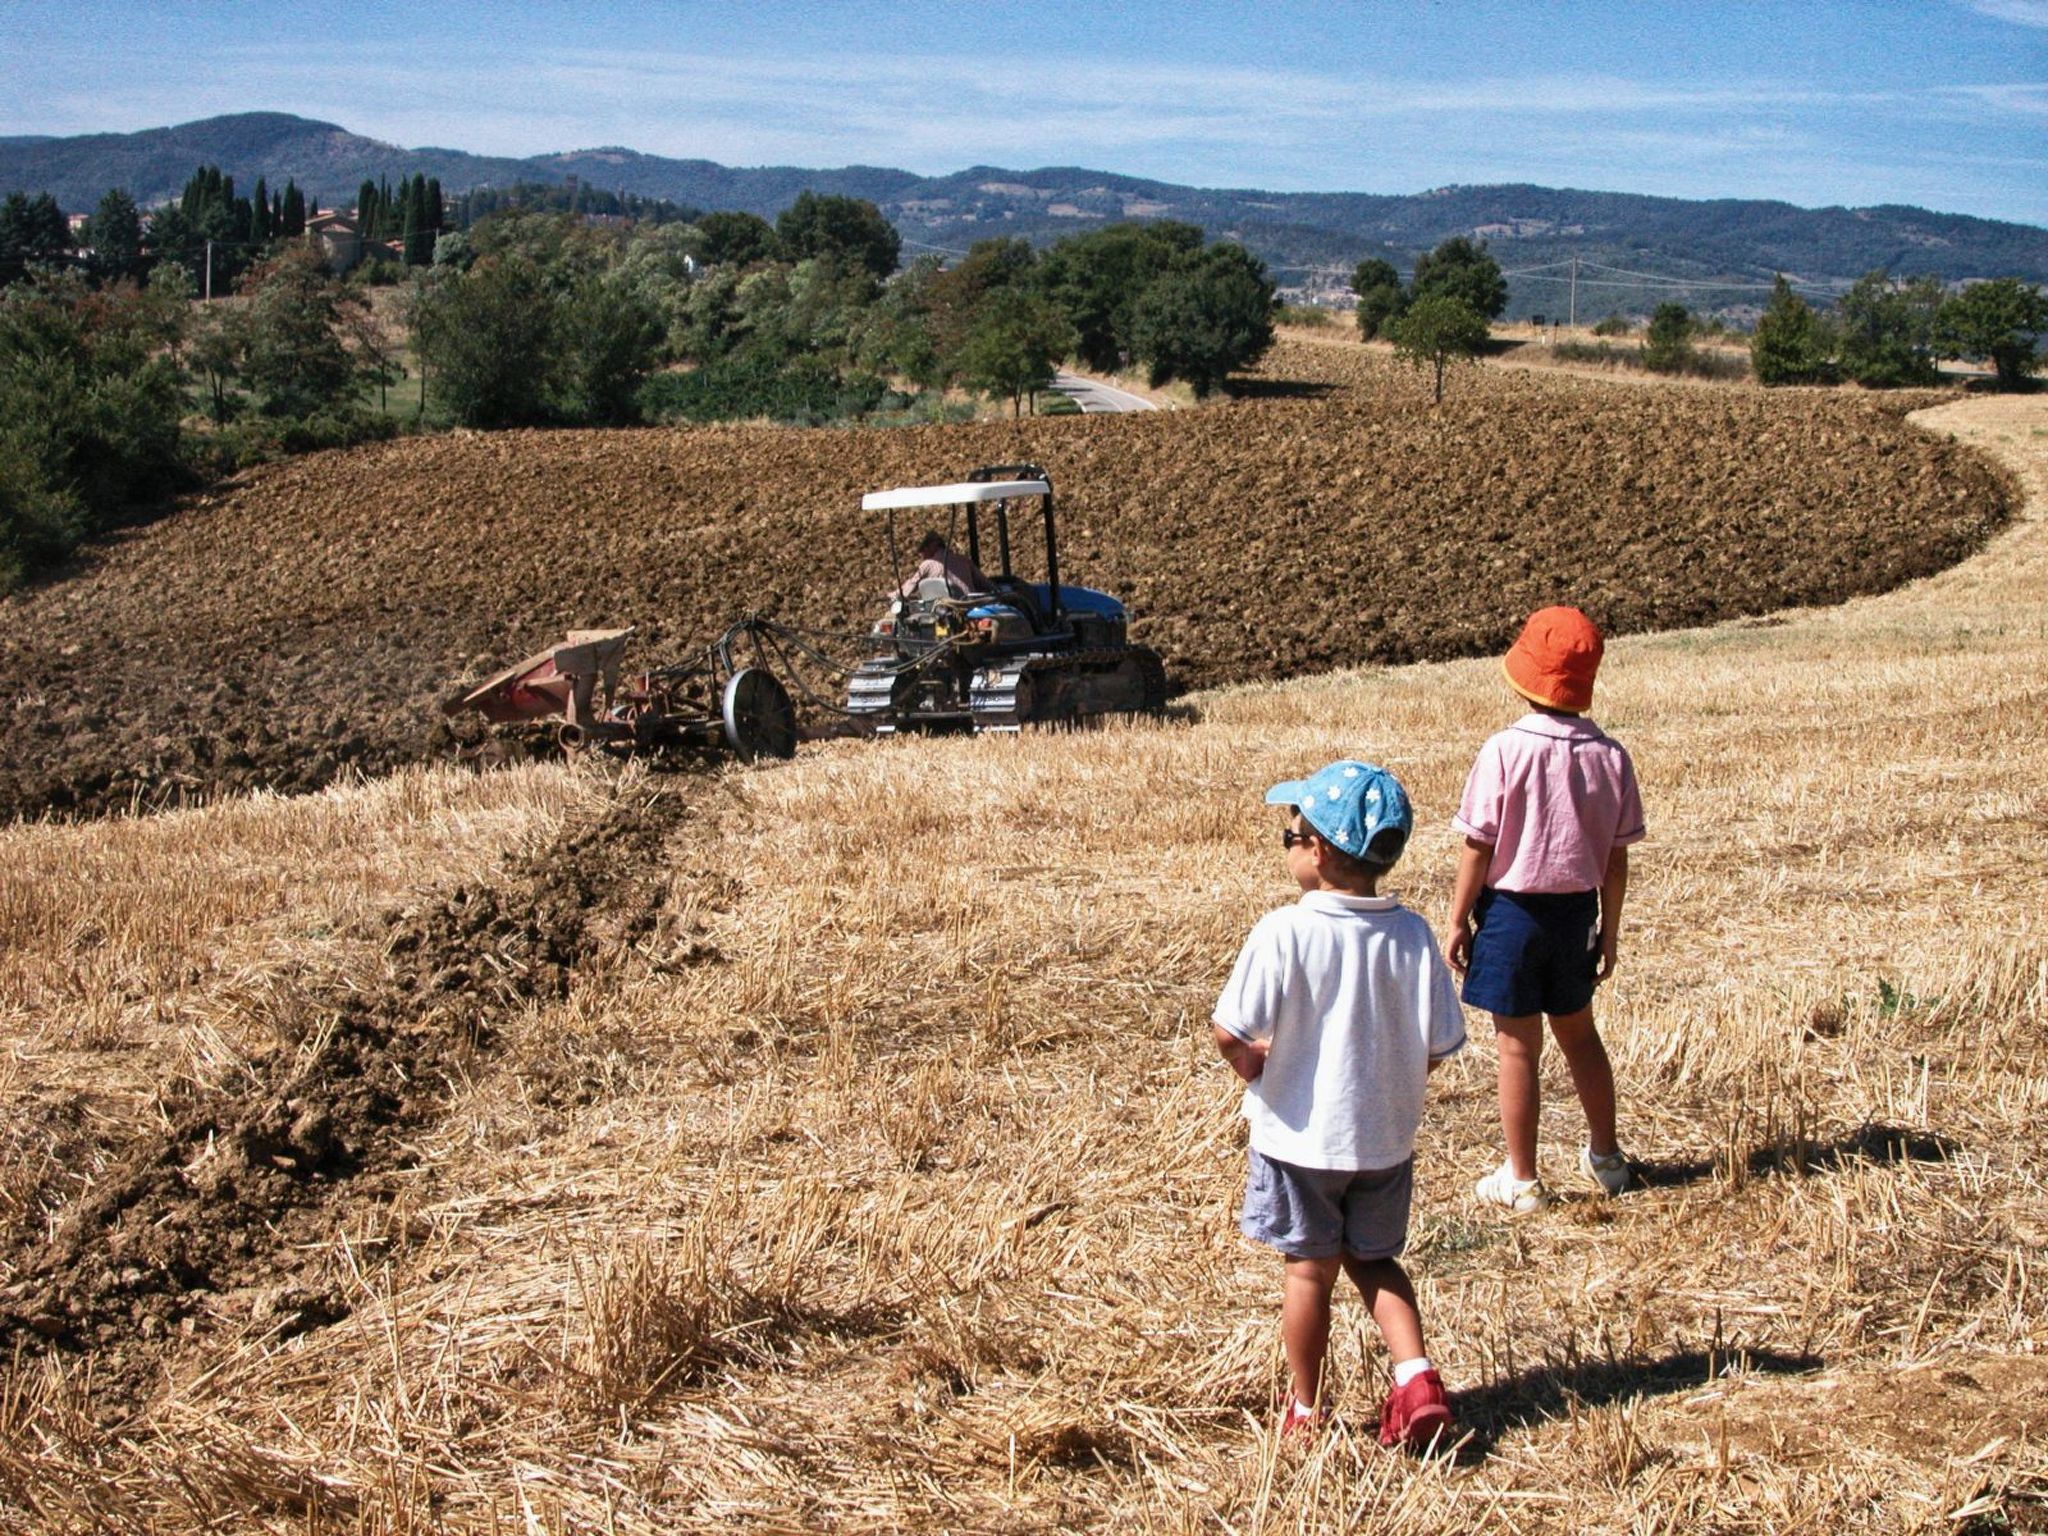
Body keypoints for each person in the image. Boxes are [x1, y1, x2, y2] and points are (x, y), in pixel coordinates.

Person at [1213, 760, 1466, 1448]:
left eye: (1289, 835)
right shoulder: (1413, 935)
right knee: (1376, 1261)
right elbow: (1440, 1041)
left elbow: (1229, 1028)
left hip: (1301, 1143)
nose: (1289, 844)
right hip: (1383, 1142)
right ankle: (1416, 1379)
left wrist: (1252, 1067)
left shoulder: (1284, 932)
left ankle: (1304, 1409)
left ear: (1318, 850)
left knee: (1308, 1272)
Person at [1447, 606, 1646, 1214]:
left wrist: (1457, 919)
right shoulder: (1611, 757)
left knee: (1517, 1049)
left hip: (1511, 916)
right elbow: (1615, 862)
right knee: (1582, 1038)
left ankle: (1524, 1178)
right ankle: (1607, 1157)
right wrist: (1609, 932)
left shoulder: (1505, 750)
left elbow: (1478, 845)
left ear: (1522, 675)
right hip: (1575, 918)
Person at [898, 530, 985, 598]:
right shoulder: (964, 560)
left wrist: (893, 595)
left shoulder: (928, 564)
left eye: (923, 550)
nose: (923, 555)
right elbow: (985, 583)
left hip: (947, 612)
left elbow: (909, 588)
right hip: (971, 606)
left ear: (932, 546)